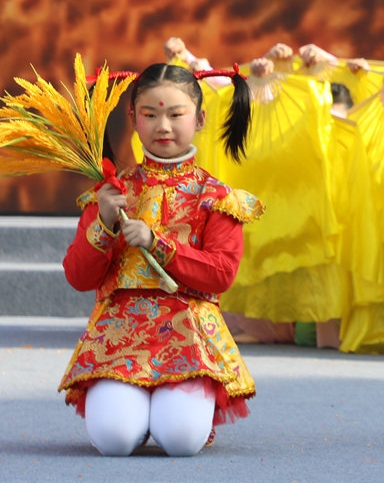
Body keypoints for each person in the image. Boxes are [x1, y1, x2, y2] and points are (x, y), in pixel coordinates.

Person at [60, 63, 263, 457]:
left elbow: (221, 273)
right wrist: (104, 224)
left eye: (175, 114)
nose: (163, 126)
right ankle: (134, 420)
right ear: (133, 119)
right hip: (119, 337)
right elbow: (79, 277)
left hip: (190, 336)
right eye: (150, 115)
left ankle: (180, 417)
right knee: (115, 441)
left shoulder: (216, 197)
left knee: (181, 441)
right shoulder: (112, 193)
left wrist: (159, 244)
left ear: (199, 118)